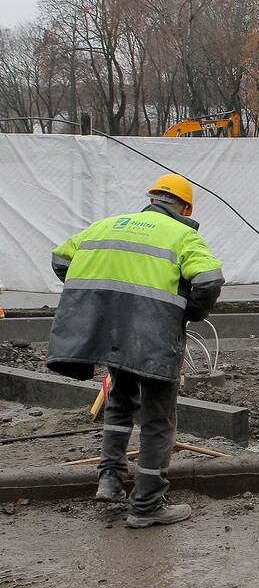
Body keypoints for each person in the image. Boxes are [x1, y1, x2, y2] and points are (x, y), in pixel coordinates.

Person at [46, 174, 224, 528]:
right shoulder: (184, 235)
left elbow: (61, 259)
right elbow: (208, 280)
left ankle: (110, 479)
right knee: (158, 419)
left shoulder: (105, 226)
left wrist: (98, 301)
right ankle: (146, 505)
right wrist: (187, 312)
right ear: (186, 208)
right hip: (154, 335)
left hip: (110, 332)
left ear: (153, 199)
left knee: (121, 401)